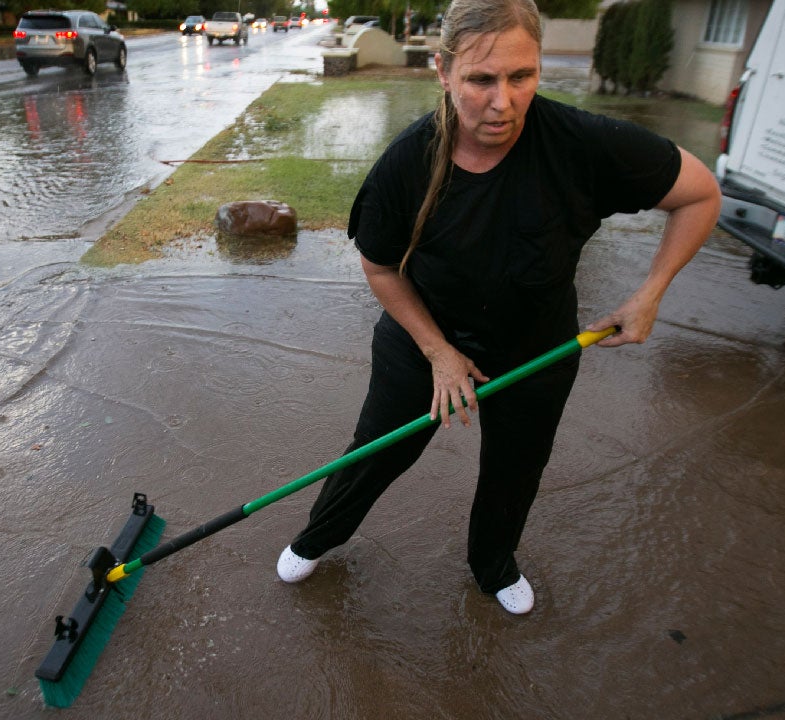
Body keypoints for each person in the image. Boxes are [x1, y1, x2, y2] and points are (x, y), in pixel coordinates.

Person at [276, 0, 721, 615]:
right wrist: (439, 355)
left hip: (536, 350)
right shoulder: (409, 160)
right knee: (379, 451)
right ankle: (317, 537)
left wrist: (649, 294)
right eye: (481, 80)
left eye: (522, 76)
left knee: (515, 470)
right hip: (423, 339)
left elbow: (699, 193)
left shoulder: (581, 144)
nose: (503, 102)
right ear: (444, 72)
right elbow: (380, 268)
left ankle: (494, 566)